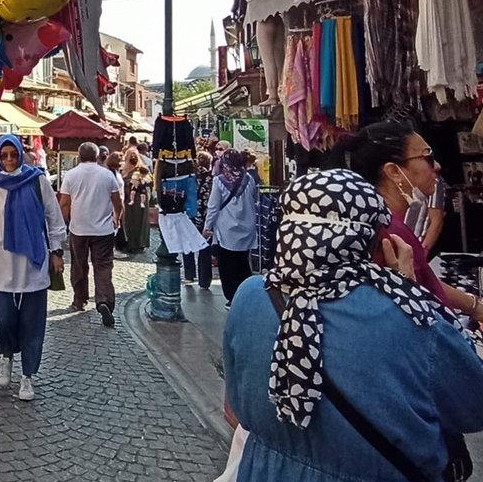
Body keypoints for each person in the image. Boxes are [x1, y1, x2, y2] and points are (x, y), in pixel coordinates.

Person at [223, 169, 483, 481]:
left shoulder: (250, 295)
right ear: (374, 241)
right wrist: (410, 289)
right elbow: (473, 406)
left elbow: (235, 407)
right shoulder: (409, 318)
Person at [344, 121, 483, 320]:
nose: (436, 166)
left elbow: (426, 280)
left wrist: (474, 306)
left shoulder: (386, 222)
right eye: (427, 157)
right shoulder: (391, 233)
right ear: (393, 171)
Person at [0, 135, 67, 401]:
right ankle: (6, 354)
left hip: (33, 264)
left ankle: (27, 376)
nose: (10, 160)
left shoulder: (37, 181)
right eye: (5, 155)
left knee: (33, 324)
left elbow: (54, 218)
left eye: (14, 154)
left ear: (21, 154)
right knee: (3, 318)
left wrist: (57, 252)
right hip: (1, 264)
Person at [58, 142, 124, 326]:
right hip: (103, 229)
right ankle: (104, 301)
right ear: (97, 156)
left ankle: (80, 299)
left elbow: (64, 203)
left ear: (78, 156)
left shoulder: (71, 175)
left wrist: (66, 222)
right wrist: (117, 217)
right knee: (103, 267)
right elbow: (117, 201)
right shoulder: (106, 175)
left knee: (79, 265)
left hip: (78, 228)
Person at [203, 149, 260, 308]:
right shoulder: (248, 178)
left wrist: (208, 227)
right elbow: (255, 199)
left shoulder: (219, 181)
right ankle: (246, 296)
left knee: (227, 266)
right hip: (247, 229)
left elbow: (213, 207)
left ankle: (232, 297)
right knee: (243, 264)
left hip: (227, 231)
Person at [183, 150, 214, 289]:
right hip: (204, 215)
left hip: (189, 214)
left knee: (188, 246)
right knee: (204, 248)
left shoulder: (188, 176)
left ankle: (189, 275)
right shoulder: (210, 177)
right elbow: (210, 199)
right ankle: (204, 280)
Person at [120, 149, 153, 254]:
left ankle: (139, 244)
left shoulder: (142, 169)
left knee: (139, 221)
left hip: (139, 199)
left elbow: (150, 181)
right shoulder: (123, 169)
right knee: (129, 221)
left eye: (135, 155)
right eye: (131, 155)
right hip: (128, 199)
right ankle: (129, 243)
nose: (133, 157)